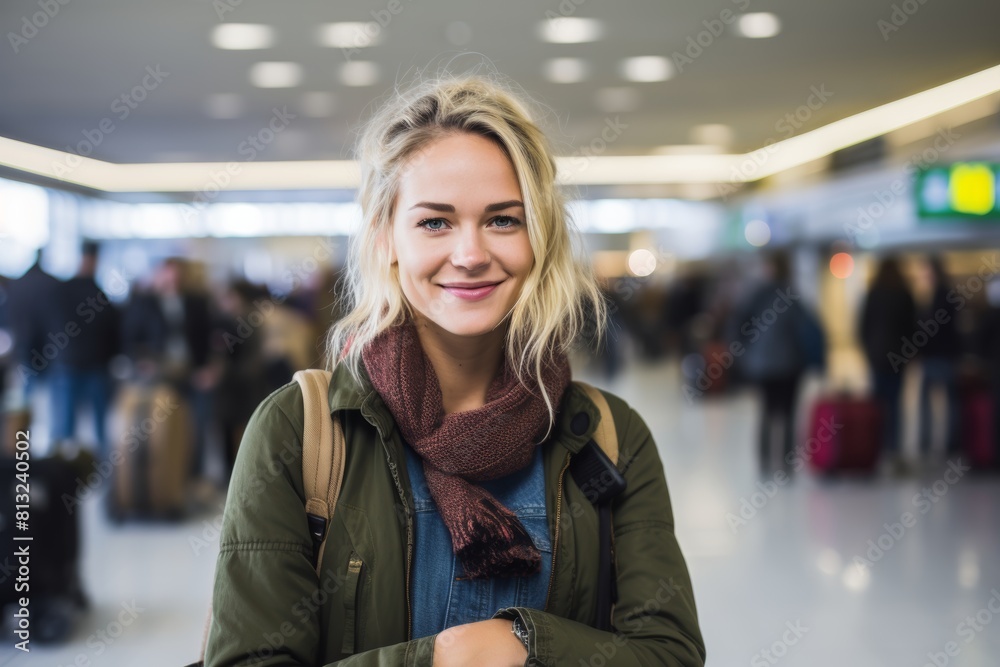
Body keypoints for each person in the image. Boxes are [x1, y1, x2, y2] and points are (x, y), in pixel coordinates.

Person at [205, 76, 705, 666]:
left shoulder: (605, 436)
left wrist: (525, 645)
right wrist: (440, 660)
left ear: (538, 239)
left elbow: (668, 654)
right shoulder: (300, 433)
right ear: (386, 236)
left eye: (502, 220)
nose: (469, 255)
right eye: (435, 222)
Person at [729, 252, 817, 475]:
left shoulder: (757, 295)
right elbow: (807, 330)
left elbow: (737, 325)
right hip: (789, 364)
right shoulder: (792, 296)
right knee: (788, 413)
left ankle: (765, 463)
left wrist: (744, 353)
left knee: (767, 412)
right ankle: (786, 464)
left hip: (762, 365)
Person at [48, 241, 121, 459]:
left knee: (73, 424)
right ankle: (63, 470)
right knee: (70, 424)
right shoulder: (97, 294)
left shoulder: (66, 291)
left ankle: (66, 467)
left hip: (78, 364)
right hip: (81, 365)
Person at [859, 257, 917, 474]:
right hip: (898, 358)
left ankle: (876, 450)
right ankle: (894, 451)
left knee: (878, 406)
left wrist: (869, 350)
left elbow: (863, 325)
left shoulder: (873, 293)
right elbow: (914, 327)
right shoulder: (904, 294)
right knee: (895, 406)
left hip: (877, 357)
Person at [916, 257, 961, 462]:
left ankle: (928, 442)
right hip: (946, 355)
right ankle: (950, 443)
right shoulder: (949, 295)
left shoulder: (939, 297)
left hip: (936, 355)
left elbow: (935, 329)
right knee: (949, 402)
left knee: (929, 402)